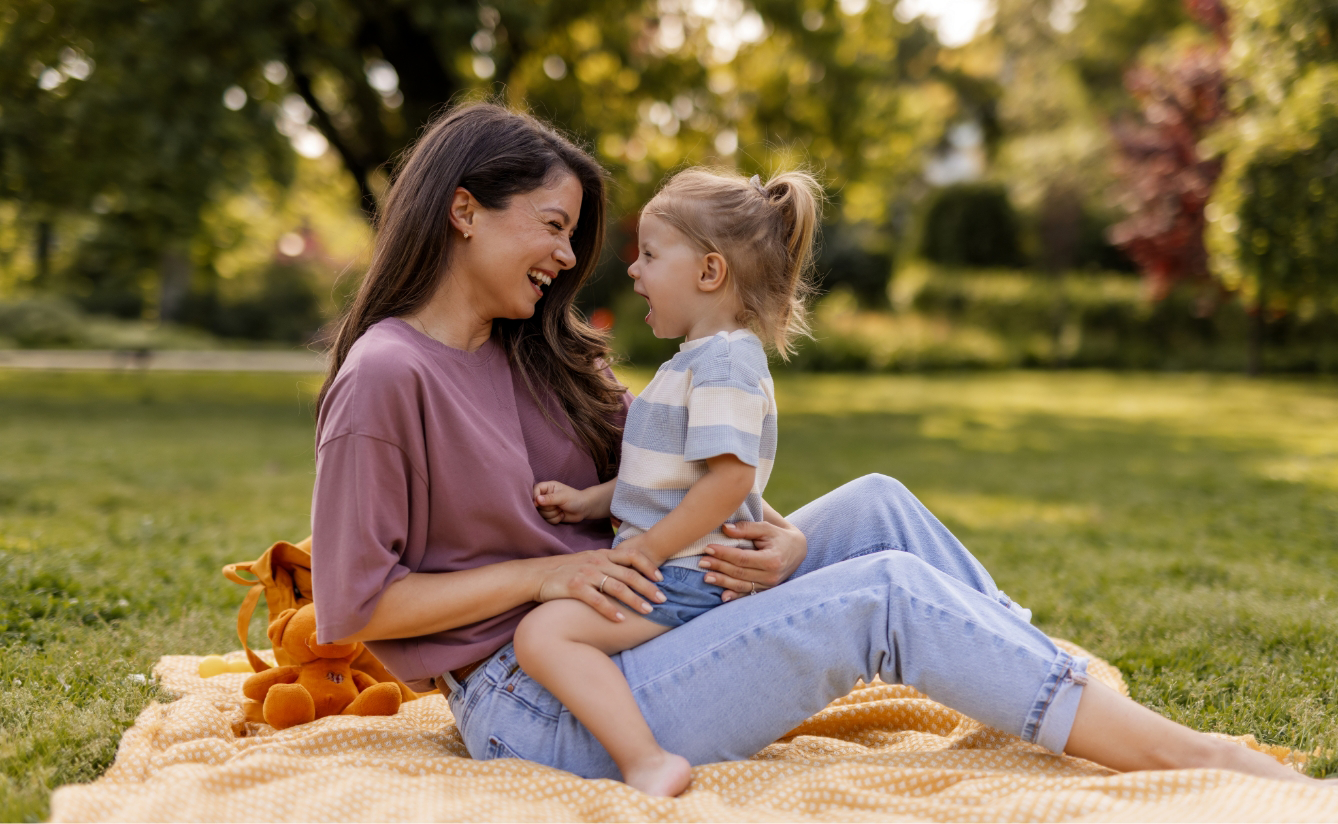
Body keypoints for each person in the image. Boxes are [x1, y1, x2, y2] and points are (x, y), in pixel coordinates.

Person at [310, 101, 1323, 793]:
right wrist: (543, 576)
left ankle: (1060, 681)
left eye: (578, 232)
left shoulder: (539, 355)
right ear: (462, 211)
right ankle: (1186, 754)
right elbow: (359, 603)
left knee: (875, 503)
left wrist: (785, 546)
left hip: (637, 613)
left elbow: (694, 484)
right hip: (542, 699)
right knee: (881, 591)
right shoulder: (389, 377)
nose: (571, 258)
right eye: (553, 226)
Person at [513, 168, 822, 796]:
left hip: (684, 572)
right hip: (677, 564)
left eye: (649, 255)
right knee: (551, 626)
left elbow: (729, 481)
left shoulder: (723, 363)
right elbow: (668, 478)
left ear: (709, 273)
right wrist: (589, 503)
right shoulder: (698, 361)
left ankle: (647, 761)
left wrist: (645, 553)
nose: (633, 270)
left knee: (543, 634)